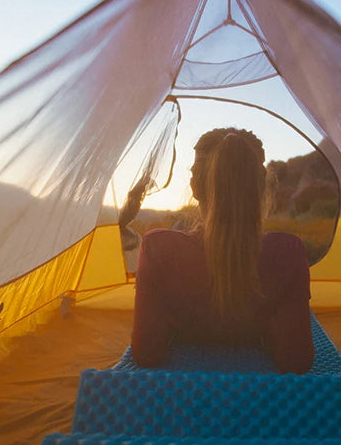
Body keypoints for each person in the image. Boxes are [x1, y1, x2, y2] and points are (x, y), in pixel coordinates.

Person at [130, 128, 314, 373]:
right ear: (260, 187)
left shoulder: (157, 248)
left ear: (195, 186)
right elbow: (296, 361)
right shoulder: (288, 253)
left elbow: (146, 355)